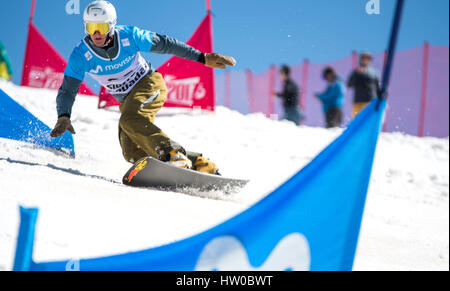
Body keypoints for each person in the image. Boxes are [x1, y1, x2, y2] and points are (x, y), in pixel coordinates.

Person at [50, 1, 236, 174]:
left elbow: (165, 44)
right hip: (128, 100)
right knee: (131, 152)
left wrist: (202, 57)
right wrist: (63, 116)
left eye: (102, 27)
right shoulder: (80, 55)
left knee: (129, 119)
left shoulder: (129, 36)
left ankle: (172, 153)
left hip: (149, 84)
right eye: (91, 27)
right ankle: (198, 163)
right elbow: (68, 89)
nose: (96, 33)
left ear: (112, 26)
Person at [347, 52, 381, 117]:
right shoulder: (355, 72)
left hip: (370, 100)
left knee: (368, 118)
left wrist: (381, 98)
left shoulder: (374, 72)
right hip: (358, 100)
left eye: (367, 59)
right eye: (363, 58)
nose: (365, 61)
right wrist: (356, 74)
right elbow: (349, 84)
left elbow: (377, 87)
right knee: (357, 120)